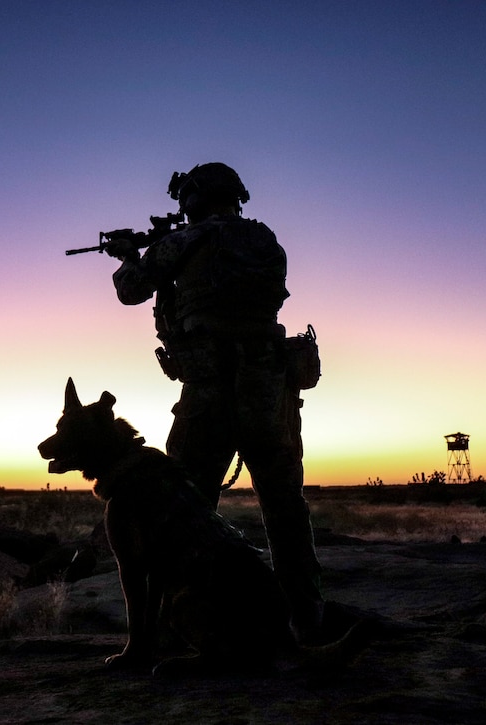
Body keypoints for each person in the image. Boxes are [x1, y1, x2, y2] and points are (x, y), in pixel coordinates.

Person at [104, 162, 324, 640]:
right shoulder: (266, 241)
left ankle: (176, 628)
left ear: (195, 197)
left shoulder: (184, 241)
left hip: (210, 391)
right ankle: (307, 621)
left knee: (182, 508)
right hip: (268, 389)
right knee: (286, 509)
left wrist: (127, 256)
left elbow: (130, 291)